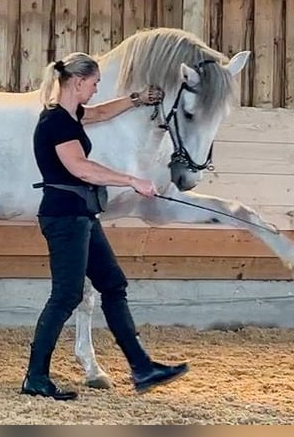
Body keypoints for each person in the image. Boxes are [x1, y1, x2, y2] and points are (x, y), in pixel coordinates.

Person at [21, 51, 189, 401]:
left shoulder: (71, 114)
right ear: (78, 82)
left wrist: (136, 100)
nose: (97, 89)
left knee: (113, 284)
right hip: (65, 217)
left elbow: (98, 113)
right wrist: (132, 180)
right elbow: (80, 168)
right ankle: (35, 377)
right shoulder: (56, 123)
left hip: (81, 214)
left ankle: (142, 368)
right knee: (66, 295)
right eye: (94, 83)